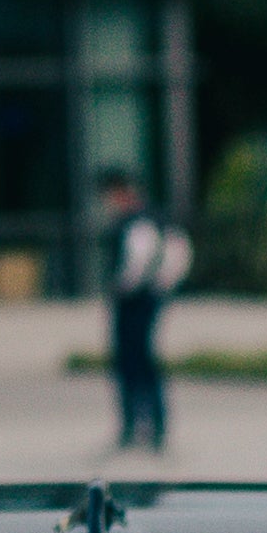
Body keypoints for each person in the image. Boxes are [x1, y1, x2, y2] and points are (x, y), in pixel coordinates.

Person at [98, 170, 189, 452]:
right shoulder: (155, 216)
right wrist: (163, 284)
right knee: (140, 359)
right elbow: (180, 252)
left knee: (133, 360)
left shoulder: (136, 220)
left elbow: (139, 259)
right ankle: (150, 425)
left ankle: (138, 425)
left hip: (135, 300)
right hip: (148, 297)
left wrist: (125, 286)